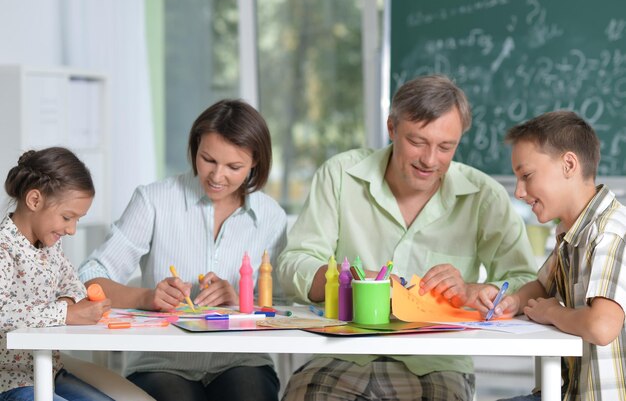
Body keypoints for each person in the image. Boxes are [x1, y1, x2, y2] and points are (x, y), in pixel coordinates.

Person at [276, 74, 537, 401]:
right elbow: (293, 263)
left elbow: (525, 278)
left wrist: (476, 290)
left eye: (446, 147)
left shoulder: (484, 196)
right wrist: (348, 280)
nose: (430, 160)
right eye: (417, 142)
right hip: (342, 352)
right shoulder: (340, 175)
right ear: (391, 128)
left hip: (435, 362)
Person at [79, 99, 287, 401]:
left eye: (234, 166)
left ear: (255, 162)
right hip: (162, 363)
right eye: (208, 160)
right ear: (195, 148)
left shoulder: (271, 216)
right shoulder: (153, 201)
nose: (217, 176)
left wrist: (243, 299)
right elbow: (90, 278)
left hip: (242, 360)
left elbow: (284, 303)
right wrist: (147, 297)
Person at [494, 111, 626, 400]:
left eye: (526, 176)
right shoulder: (571, 232)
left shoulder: (607, 233)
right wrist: (513, 302)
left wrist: (551, 313)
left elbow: (602, 327)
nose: (518, 192)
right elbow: (542, 286)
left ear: (569, 164)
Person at [0, 147, 113, 401]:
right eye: (67, 217)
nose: (71, 229)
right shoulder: (4, 249)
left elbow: (73, 284)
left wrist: (69, 301)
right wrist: (65, 313)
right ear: (35, 201)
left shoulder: (50, 247)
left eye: (77, 220)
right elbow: (1, 311)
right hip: (9, 380)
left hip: (49, 371)